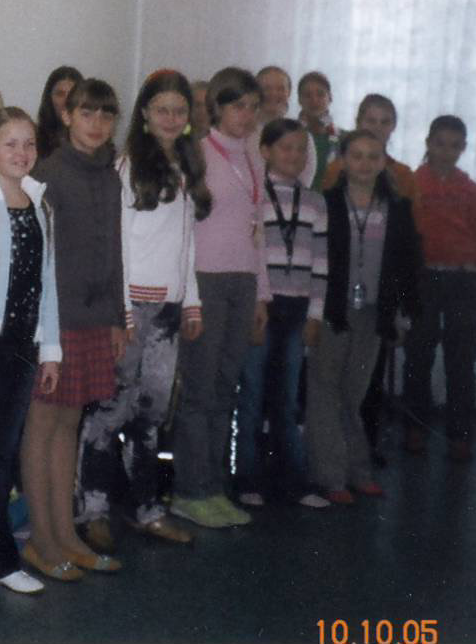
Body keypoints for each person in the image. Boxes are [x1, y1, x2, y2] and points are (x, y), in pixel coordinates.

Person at [75, 70, 210, 550]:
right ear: (145, 115)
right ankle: (92, 510)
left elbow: (186, 245)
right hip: (132, 306)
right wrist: (124, 314)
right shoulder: (127, 167)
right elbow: (120, 245)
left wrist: (191, 302)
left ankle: (146, 509)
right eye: (162, 110)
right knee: (110, 410)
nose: (171, 118)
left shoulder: (186, 167)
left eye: (179, 110)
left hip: (168, 311)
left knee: (152, 413)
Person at [25, 78, 124, 580]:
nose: (97, 124)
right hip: (54, 323)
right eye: (87, 113)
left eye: (106, 115)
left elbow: (114, 250)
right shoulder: (48, 173)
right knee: (42, 427)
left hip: (93, 321)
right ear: (66, 116)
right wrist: (48, 329)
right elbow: (37, 259)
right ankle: (41, 540)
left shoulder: (110, 176)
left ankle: (66, 535)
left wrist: (116, 317)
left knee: (69, 427)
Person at [0, 107, 60, 598]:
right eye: (10, 143)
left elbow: (48, 281)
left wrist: (51, 349)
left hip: (24, 344)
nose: (21, 153)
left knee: (3, 456)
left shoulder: (38, 201)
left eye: (29, 144)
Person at [171, 67, 270, 530]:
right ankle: (190, 491)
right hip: (205, 281)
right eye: (237, 106)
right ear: (216, 107)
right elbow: (182, 229)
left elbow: (257, 231)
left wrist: (261, 294)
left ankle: (214, 487)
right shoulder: (197, 153)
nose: (246, 115)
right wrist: (188, 297)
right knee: (200, 389)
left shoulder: (253, 157)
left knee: (226, 388)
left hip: (242, 282)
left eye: (253, 107)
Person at [307, 130, 420, 503]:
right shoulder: (326, 204)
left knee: (353, 393)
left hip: (374, 312)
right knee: (325, 391)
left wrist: (403, 316)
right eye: (356, 155)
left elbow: (407, 266)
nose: (365, 164)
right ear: (342, 160)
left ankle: (358, 470)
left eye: (373, 156)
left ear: (384, 162)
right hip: (332, 309)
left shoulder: (397, 208)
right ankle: (331, 476)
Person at [234, 118, 330, 509]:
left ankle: (294, 481)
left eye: (301, 149)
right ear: (266, 151)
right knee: (252, 395)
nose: (294, 155)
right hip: (262, 306)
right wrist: (256, 302)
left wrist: (315, 315)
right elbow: (249, 253)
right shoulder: (254, 196)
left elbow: (321, 263)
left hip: (297, 309)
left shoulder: (316, 202)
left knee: (288, 399)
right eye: (285, 147)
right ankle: (246, 480)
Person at [404, 115, 476, 462]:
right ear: (428, 144)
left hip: (463, 280)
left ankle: (460, 435)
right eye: (440, 144)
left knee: (461, 359)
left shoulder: (470, 189)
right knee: (418, 355)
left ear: (463, 148)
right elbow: (405, 237)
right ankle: (416, 428)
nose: (446, 151)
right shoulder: (412, 183)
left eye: (454, 146)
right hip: (424, 278)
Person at [256, 66, 316, 187]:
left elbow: (305, 177)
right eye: (267, 88)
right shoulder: (244, 131)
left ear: (288, 93)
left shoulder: (301, 133)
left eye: (280, 88)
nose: (273, 93)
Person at [297, 71, 340, 191]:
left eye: (320, 94)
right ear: (300, 100)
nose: (314, 100)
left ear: (330, 98)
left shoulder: (344, 139)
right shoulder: (289, 137)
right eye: (307, 95)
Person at [35, 65, 82, 160]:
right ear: (49, 99)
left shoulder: (92, 138)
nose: (66, 101)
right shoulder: (35, 140)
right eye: (60, 94)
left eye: (72, 94)